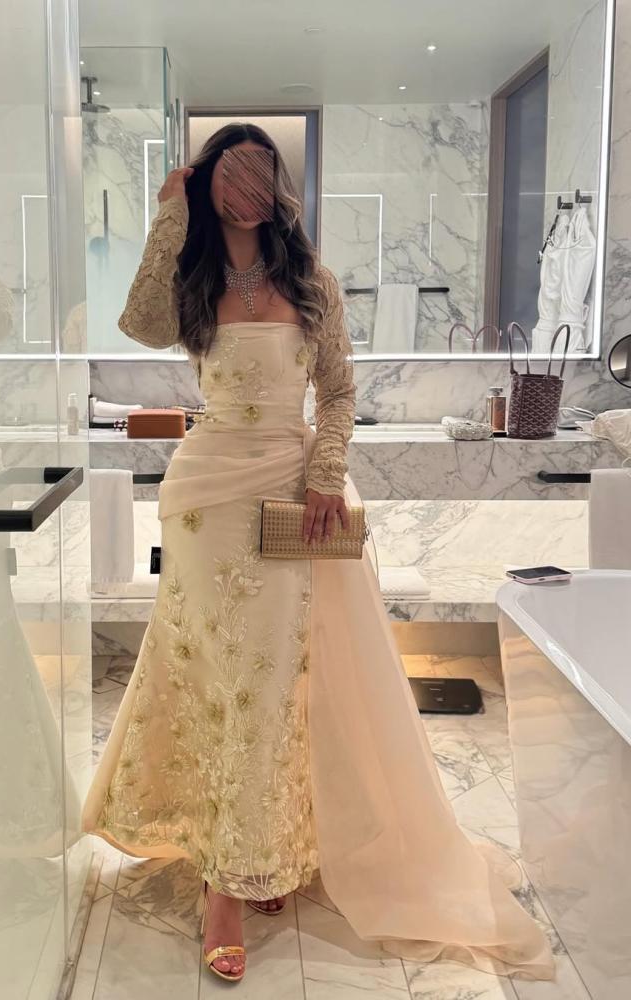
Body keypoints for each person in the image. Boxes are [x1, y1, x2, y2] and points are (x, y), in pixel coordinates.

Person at [81, 123, 555, 985]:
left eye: (259, 176)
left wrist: (326, 472)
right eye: (230, 177)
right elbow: (140, 325)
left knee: (276, 684)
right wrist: (167, 214)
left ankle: (258, 851)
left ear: (277, 187)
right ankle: (226, 878)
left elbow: (337, 391)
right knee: (215, 680)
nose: (246, 194)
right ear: (209, 184)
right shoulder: (192, 280)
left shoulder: (312, 282)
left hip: (291, 495)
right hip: (205, 499)